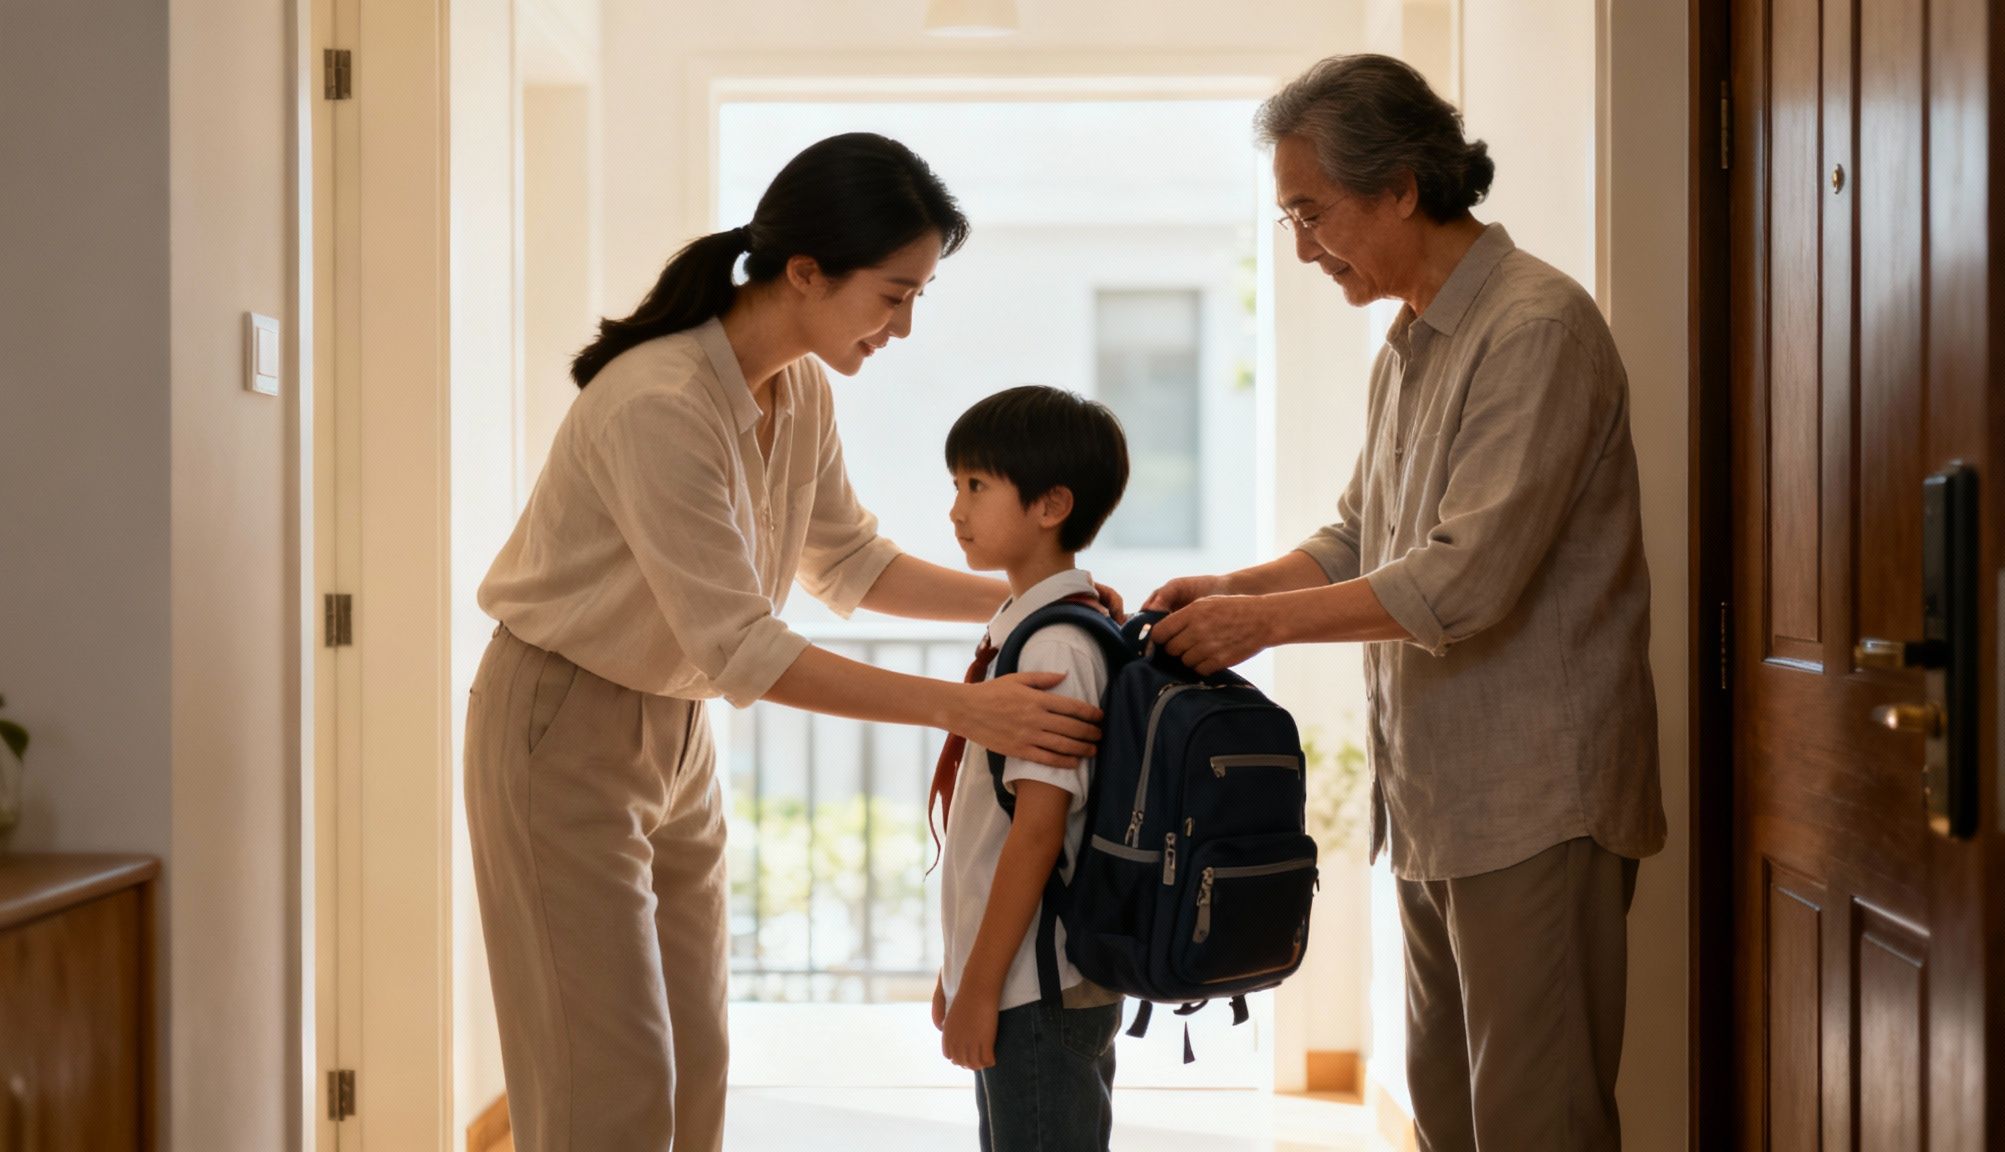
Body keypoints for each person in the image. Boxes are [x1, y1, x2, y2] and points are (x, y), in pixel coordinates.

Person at [464, 133, 1114, 1152]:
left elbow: (850, 565)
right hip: (563, 722)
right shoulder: (659, 402)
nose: (900, 327)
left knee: (696, 1065)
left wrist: (1039, 596)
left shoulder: (797, 388)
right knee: (608, 1082)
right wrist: (963, 705)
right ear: (803, 272)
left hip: (673, 731)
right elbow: (743, 651)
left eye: (917, 300)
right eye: (891, 294)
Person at [1145, 56, 1666, 1152]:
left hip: (1536, 796)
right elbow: (1357, 538)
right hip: (1436, 794)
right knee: (1447, 1116)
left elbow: (1461, 579)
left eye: (1312, 213)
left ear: (1399, 187)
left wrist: (1261, 626)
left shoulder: (1533, 329)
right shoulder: (1409, 347)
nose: (1300, 247)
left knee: (1539, 1123)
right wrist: (1234, 589)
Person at [929, 386, 1130, 1152]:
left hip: (1034, 990)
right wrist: (965, 970)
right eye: (956, 486)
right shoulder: (1036, 630)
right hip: (1021, 978)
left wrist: (981, 985)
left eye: (976, 486)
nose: (956, 510)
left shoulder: (1054, 650)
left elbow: (1037, 834)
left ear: (1051, 506)